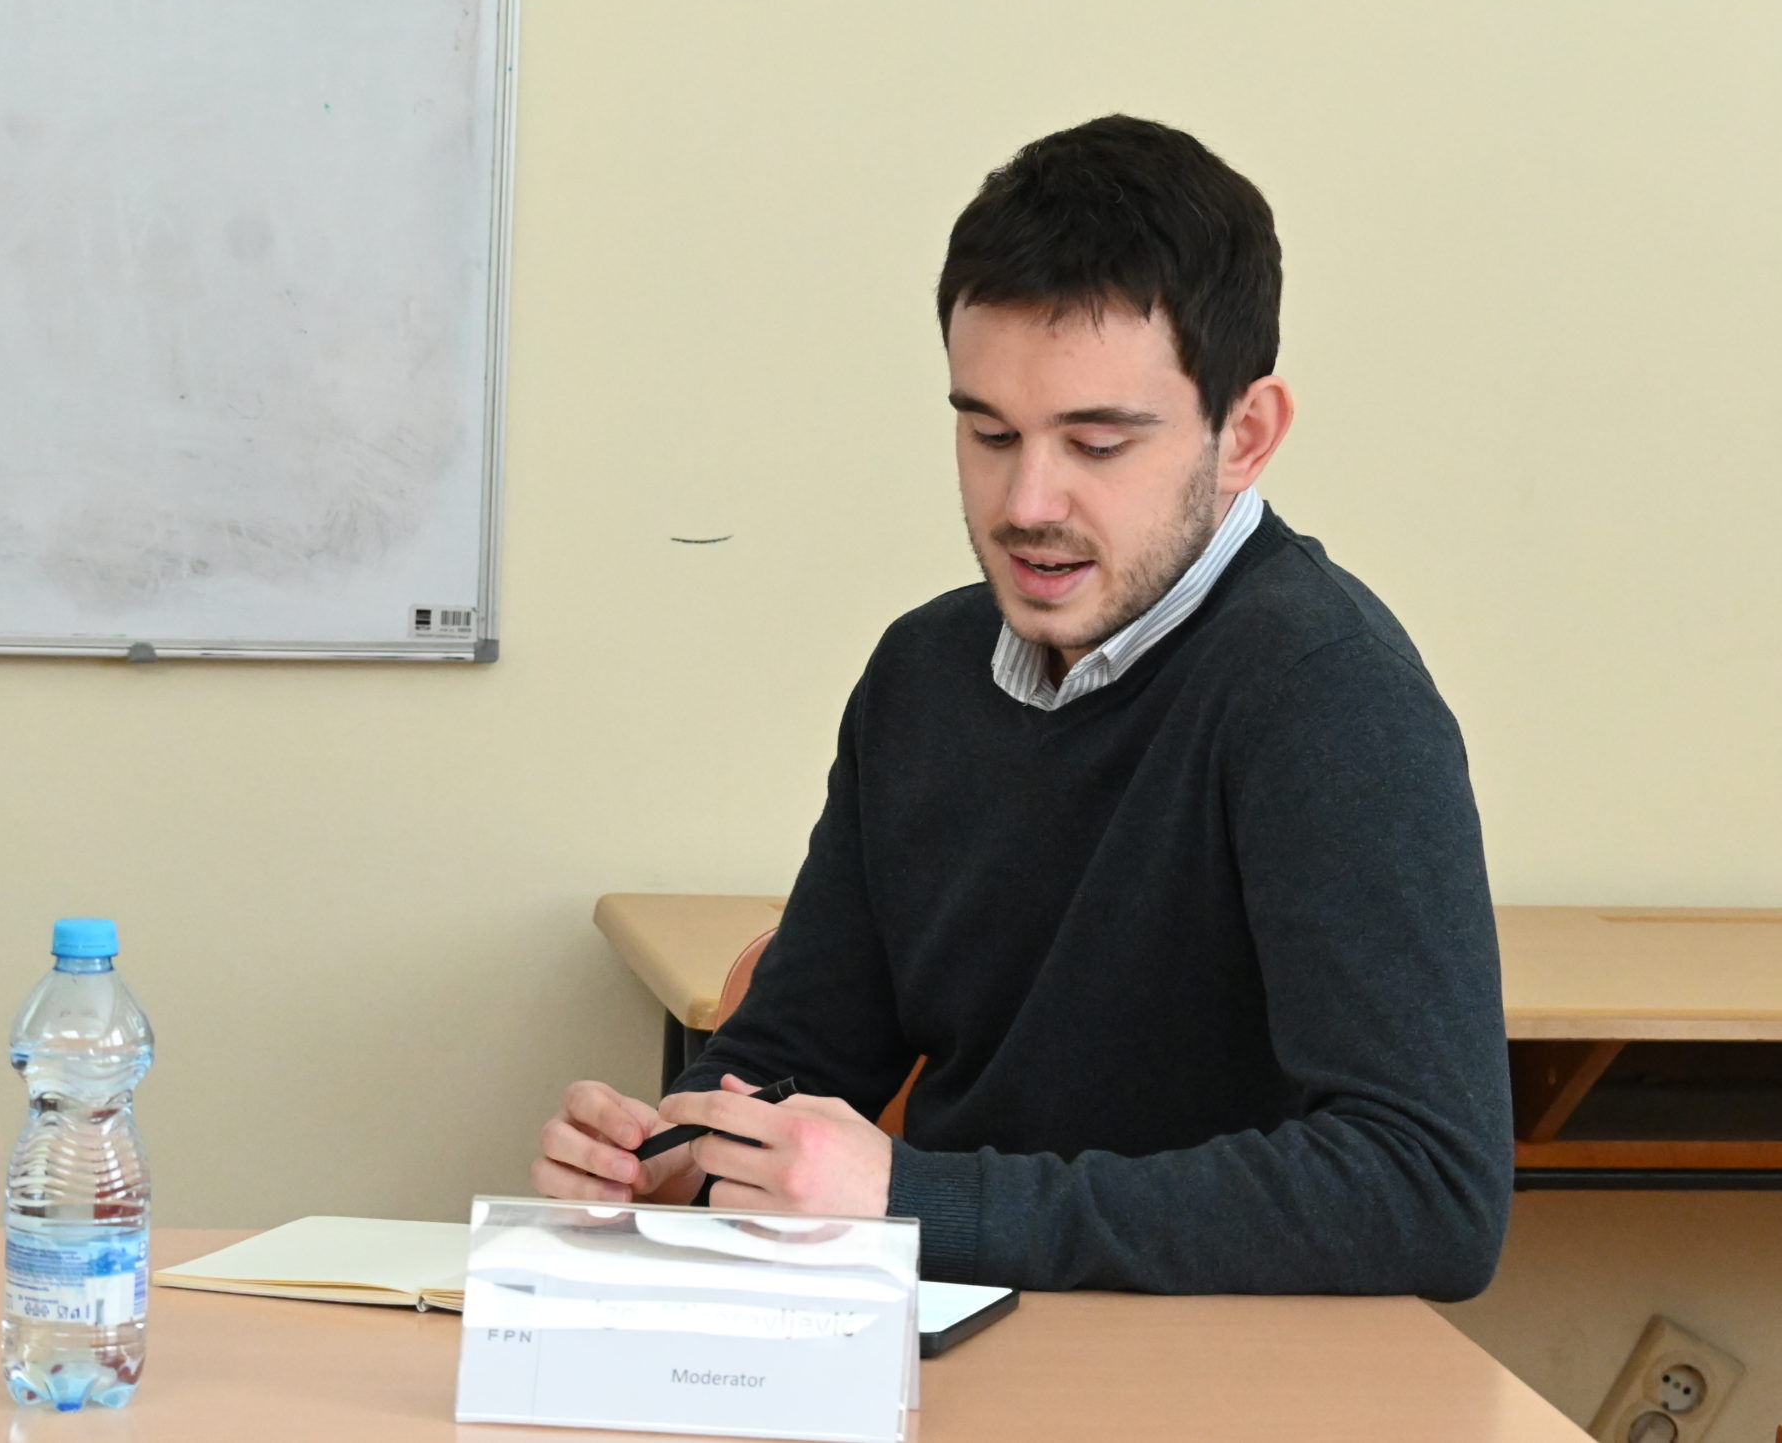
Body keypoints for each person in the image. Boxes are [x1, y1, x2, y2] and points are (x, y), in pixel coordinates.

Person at [534, 114, 1512, 1298]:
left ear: (1244, 435)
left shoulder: (1327, 697)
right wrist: (681, 1153)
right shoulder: (924, 673)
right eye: (988, 433)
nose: (1026, 503)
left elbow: (1427, 1194)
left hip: (1212, 1360)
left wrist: (914, 1201)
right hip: (959, 1325)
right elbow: (798, 1052)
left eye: (1096, 444)